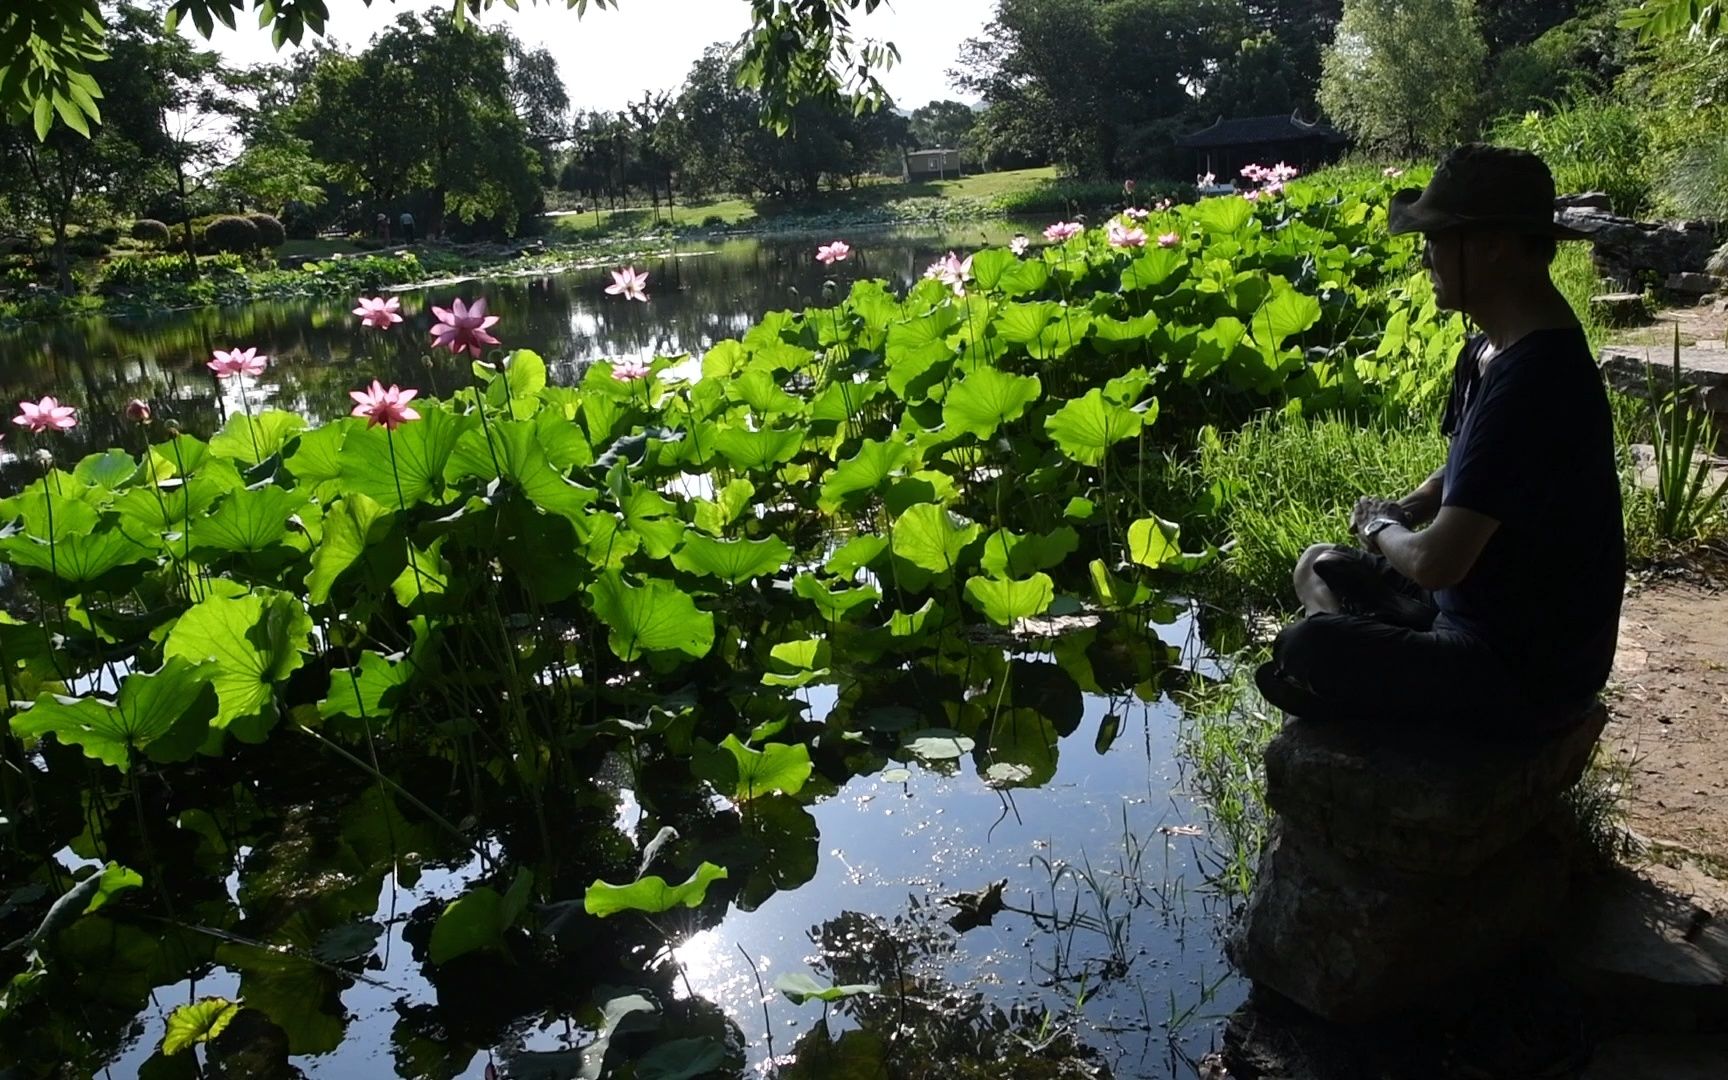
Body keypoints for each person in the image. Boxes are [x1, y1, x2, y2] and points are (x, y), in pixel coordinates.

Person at [1255, 144, 1624, 735]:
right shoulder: (1490, 349)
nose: (1425, 261)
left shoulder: (1538, 378)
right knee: (1317, 565)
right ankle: (1374, 674)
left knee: (1311, 645)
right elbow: (1469, 471)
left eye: (1434, 241)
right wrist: (1415, 503)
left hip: (1524, 665)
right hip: (1472, 612)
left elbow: (1436, 561)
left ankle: (1362, 694)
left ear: (1491, 247)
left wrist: (1380, 527)